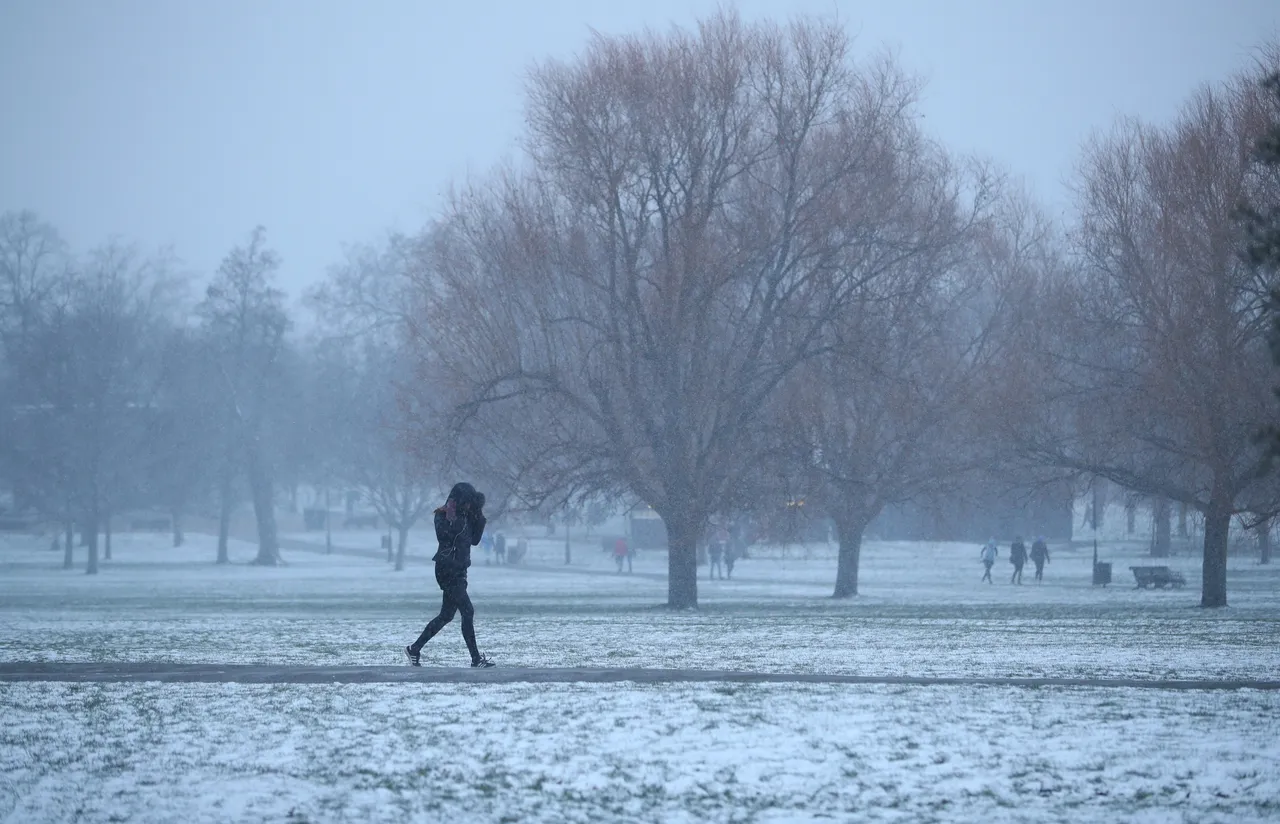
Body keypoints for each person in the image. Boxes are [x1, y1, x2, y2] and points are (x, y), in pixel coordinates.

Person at [405, 483, 495, 668]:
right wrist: (451, 519)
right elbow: (444, 537)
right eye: (467, 502)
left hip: (460, 569)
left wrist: (478, 514)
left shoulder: (468, 515)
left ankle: (414, 649)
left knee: (446, 615)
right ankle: (476, 659)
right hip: (446, 569)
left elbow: (475, 540)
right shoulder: (442, 514)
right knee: (467, 611)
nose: (468, 505)